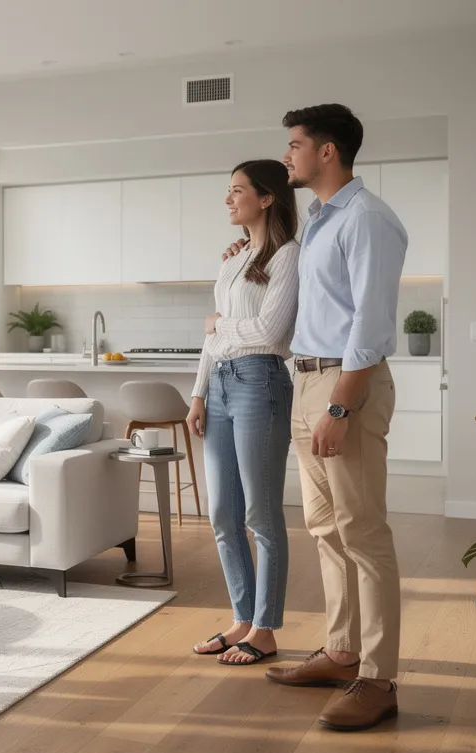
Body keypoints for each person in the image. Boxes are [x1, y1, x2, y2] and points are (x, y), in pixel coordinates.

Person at [261, 104, 407, 731]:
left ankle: (377, 677)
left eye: (295, 145)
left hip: (345, 385)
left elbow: (369, 329)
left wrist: (341, 405)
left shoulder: (368, 219)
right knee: (325, 528)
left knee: (364, 533)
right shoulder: (319, 220)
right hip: (307, 377)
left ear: (327, 152)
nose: (287, 155)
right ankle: (342, 651)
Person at [187, 160, 299, 667]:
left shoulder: (288, 256)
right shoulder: (233, 260)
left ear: (268, 197)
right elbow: (219, 337)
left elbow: (272, 334)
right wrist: (198, 393)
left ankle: (267, 627)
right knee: (222, 515)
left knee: (261, 514)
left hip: (261, 382)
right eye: (227, 191)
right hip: (224, 386)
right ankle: (241, 619)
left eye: (237, 191)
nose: (228, 200)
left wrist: (218, 325)